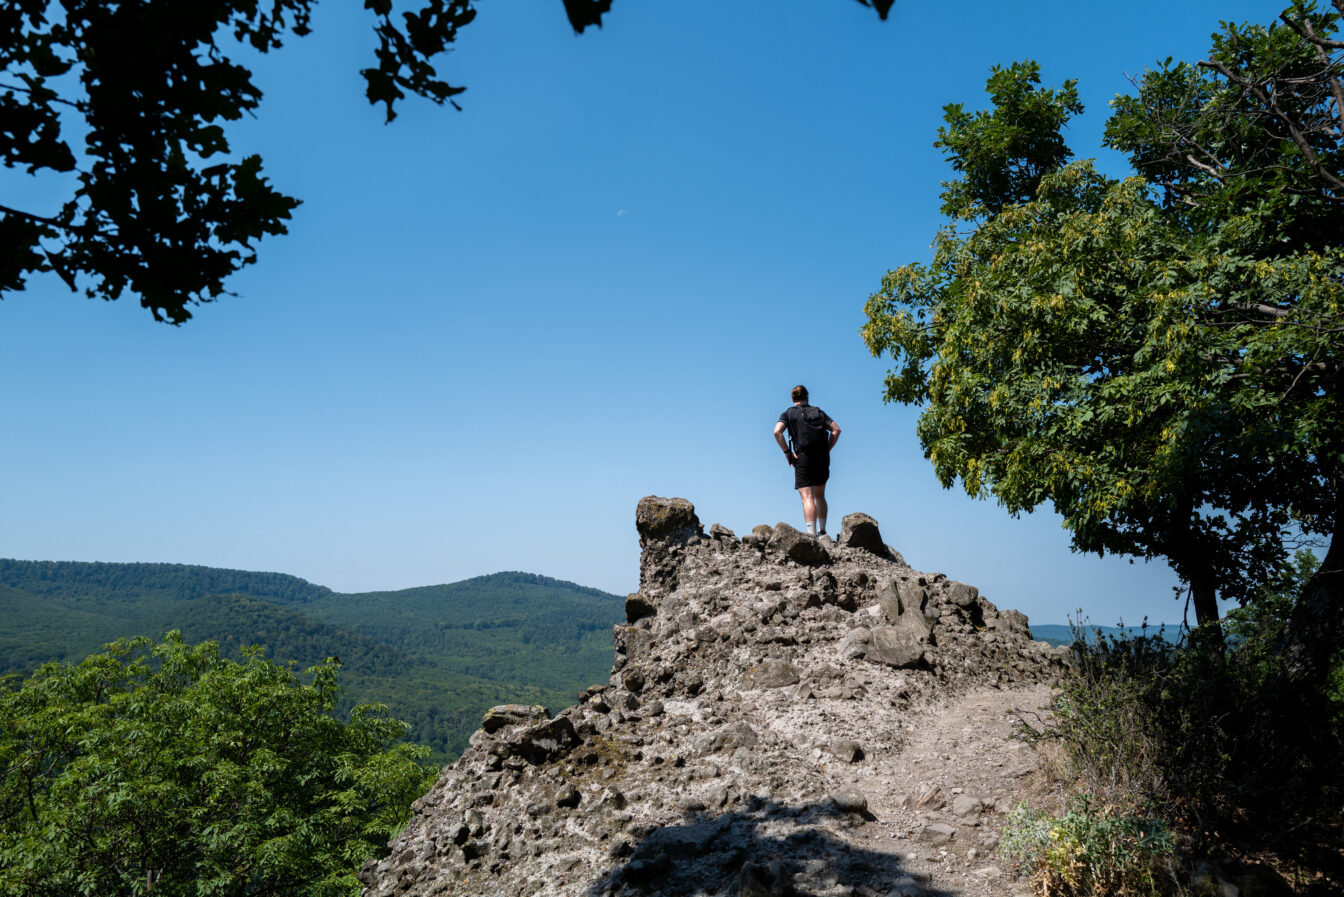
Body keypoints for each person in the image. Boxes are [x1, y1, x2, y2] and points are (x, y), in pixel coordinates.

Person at [773, 385, 840, 535]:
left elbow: (777, 432)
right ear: (807, 397)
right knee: (820, 496)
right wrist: (827, 449)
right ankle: (823, 531)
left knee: (807, 498)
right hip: (822, 457)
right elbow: (836, 430)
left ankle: (811, 533)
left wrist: (787, 453)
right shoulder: (818, 412)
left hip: (803, 457)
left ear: (792, 398)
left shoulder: (788, 413)